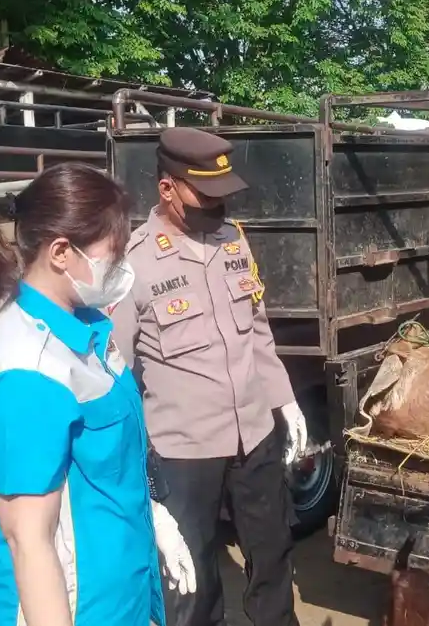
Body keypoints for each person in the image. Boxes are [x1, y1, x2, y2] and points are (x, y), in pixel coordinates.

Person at [0, 162, 196, 626]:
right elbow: (29, 540)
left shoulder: (88, 333)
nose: (124, 266)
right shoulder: (26, 372)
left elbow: (106, 462)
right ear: (62, 252)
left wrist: (152, 515)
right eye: (115, 251)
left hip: (122, 595)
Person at [111, 127, 307, 626]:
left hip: (254, 434)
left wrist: (284, 401)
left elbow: (257, 333)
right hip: (184, 449)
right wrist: (131, 452)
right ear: (168, 188)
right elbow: (115, 368)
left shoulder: (233, 242)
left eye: (225, 194)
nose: (219, 205)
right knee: (193, 578)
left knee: (273, 555)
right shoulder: (135, 263)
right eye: (207, 194)